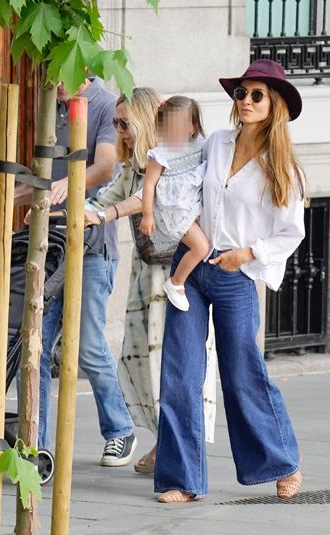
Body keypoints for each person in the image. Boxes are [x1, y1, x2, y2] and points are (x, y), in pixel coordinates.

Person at [155, 59, 305, 503]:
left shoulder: (284, 170)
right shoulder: (216, 143)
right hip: (191, 265)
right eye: (240, 93)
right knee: (180, 373)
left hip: (235, 272)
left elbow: (290, 232)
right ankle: (182, 480)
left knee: (243, 373)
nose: (245, 101)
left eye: (256, 95)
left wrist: (248, 255)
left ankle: (282, 461)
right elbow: (172, 177)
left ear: (273, 104)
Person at [0, 78, 137, 466]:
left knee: (88, 345)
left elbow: (107, 167)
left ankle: (120, 429)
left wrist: (64, 186)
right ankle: (33, 444)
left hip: (91, 247)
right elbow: (46, 180)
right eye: (48, 74)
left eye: (60, 76)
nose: (54, 84)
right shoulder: (47, 101)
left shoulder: (106, 103)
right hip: (48, 243)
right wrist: (11, 194)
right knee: (33, 344)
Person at [85, 88, 218, 474]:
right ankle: (166, 441)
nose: (119, 131)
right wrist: (62, 205)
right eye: (115, 123)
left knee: (171, 361)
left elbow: (147, 202)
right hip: (145, 271)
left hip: (176, 273)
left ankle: (178, 448)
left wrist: (107, 213)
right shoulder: (135, 166)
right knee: (143, 361)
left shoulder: (171, 157)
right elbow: (105, 197)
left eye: (124, 123)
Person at [139, 96, 208, 311]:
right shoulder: (160, 154)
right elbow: (149, 185)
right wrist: (147, 214)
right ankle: (176, 282)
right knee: (201, 247)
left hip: (192, 205)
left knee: (205, 242)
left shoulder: (201, 146)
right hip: (173, 212)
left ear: (193, 126)